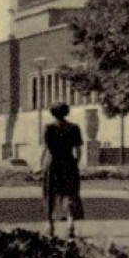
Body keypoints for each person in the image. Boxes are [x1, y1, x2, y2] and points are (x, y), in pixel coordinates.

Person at [41, 102, 84, 238]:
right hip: (68, 163)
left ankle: (50, 226)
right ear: (66, 112)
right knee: (70, 193)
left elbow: (45, 148)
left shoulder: (49, 128)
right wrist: (75, 162)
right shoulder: (74, 128)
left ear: (52, 113)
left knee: (50, 194)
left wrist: (40, 164)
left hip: (53, 163)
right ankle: (70, 225)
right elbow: (78, 150)